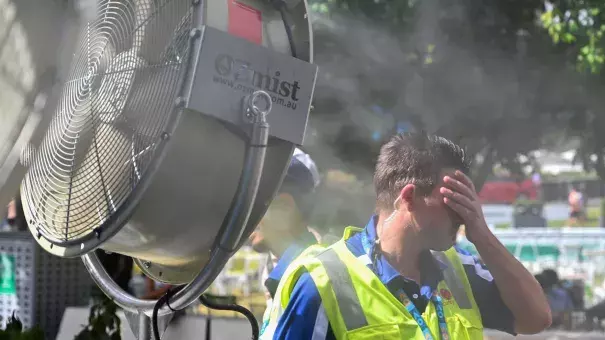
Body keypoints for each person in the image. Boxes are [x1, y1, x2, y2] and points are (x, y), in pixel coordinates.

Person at [261, 132, 551, 339]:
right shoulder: (324, 282)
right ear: (409, 197)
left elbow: (536, 318)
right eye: (454, 199)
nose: (465, 214)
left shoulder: (459, 270)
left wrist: (484, 237)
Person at [248, 147, 323, 307]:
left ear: (284, 207)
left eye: (251, 204)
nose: (244, 218)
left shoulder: (310, 281)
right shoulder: (285, 269)